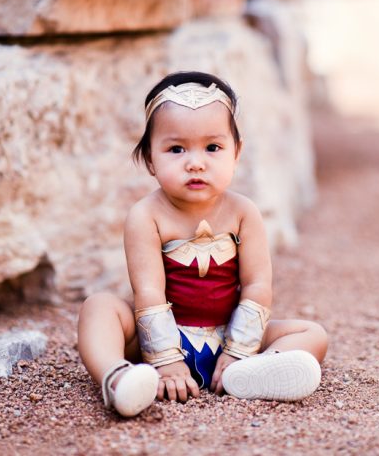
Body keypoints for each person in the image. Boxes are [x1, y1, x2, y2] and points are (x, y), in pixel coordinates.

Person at [77, 71, 328, 417]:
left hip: (230, 336)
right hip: (160, 341)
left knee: (311, 333)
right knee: (100, 307)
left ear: (236, 153)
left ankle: (248, 373)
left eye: (213, 147)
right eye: (176, 149)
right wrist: (165, 360)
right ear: (150, 159)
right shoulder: (145, 215)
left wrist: (239, 349)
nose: (195, 162)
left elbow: (257, 285)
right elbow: (148, 291)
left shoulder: (244, 212)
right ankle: (118, 378)